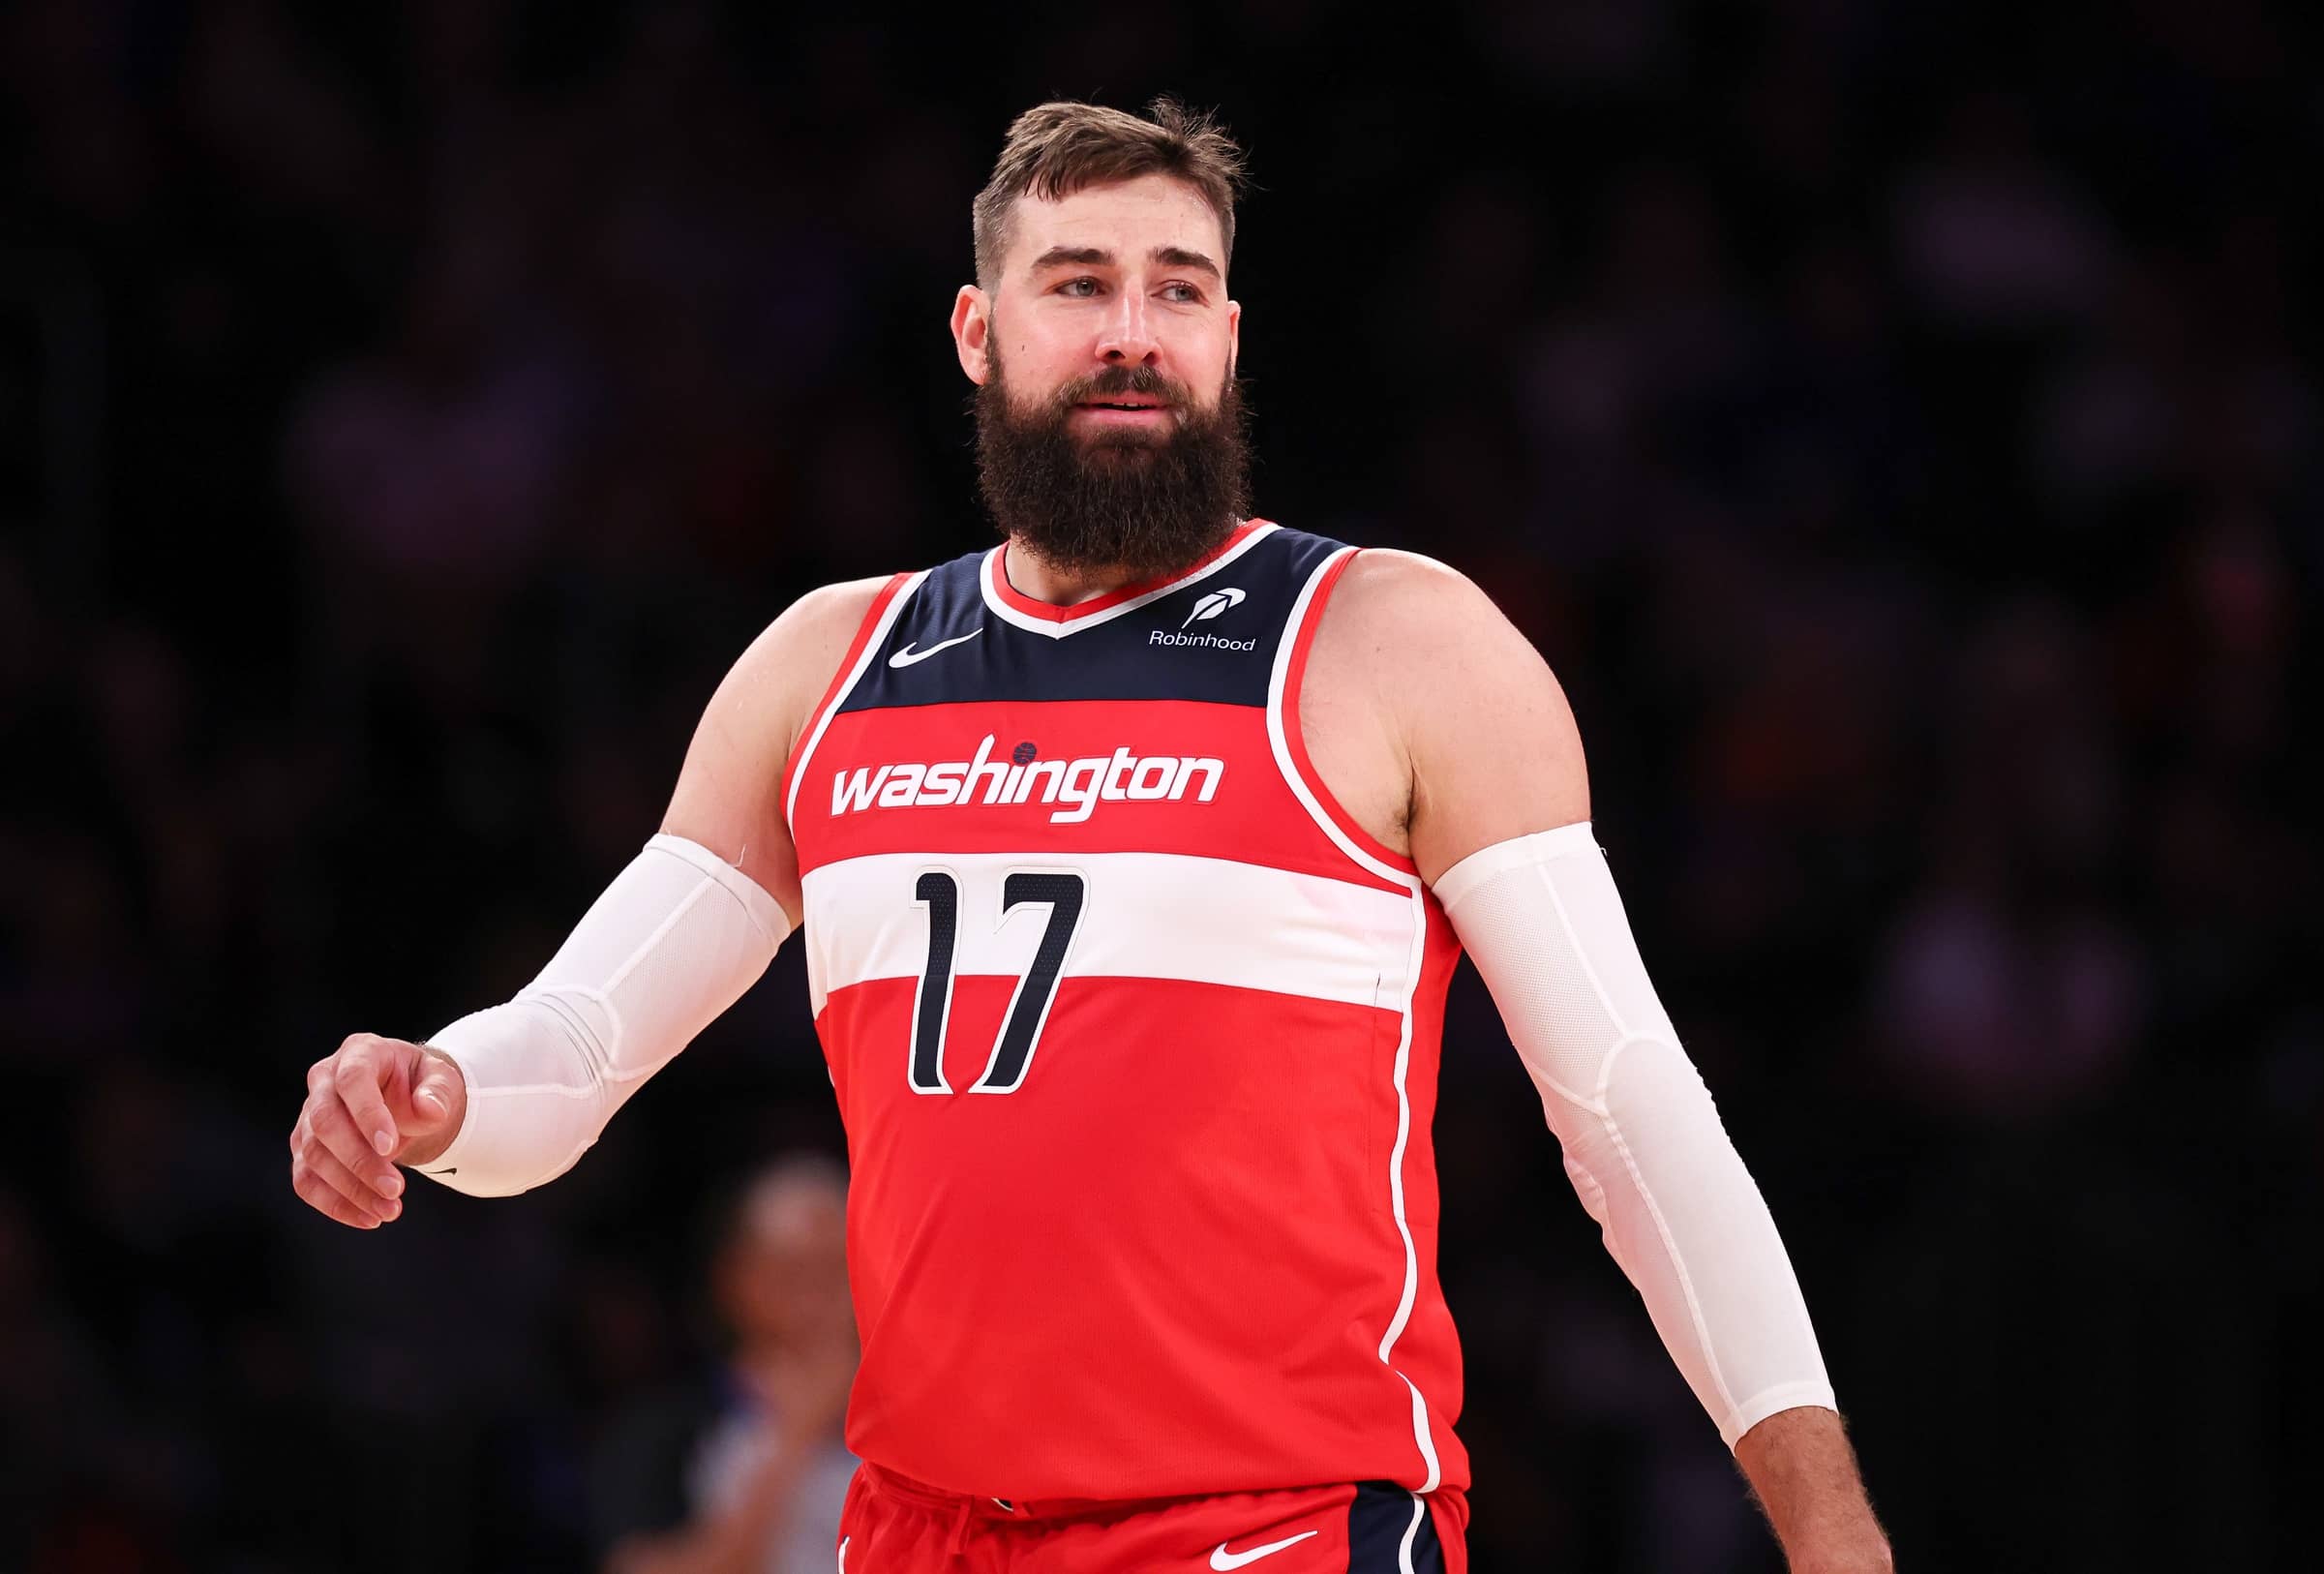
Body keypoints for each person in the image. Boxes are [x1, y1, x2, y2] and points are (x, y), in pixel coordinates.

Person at [289, 99, 1893, 1573]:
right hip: (918, 1534)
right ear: (977, 334)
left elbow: (1624, 1114)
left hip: (1272, 1529)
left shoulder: (1390, 643)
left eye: (1178, 288)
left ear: (1228, 336)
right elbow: (571, 1052)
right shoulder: (826, 664)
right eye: (1077, 284)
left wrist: (1828, 1533)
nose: (1133, 333)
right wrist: (432, 1094)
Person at [589, 1157, 860, 1574]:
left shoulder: (913, 1427)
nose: (819, 1301)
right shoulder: (668, 1428)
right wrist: (794, 1440)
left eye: (840, 1272)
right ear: (735, 1280)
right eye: (794, 1274)